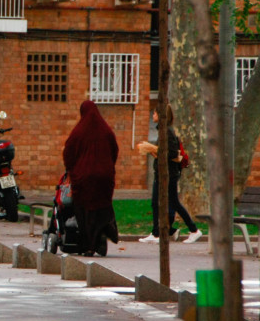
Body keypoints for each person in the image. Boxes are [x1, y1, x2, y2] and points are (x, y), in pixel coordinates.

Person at [62, 100, 120, 256]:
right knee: (100, 208)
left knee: (84, 211)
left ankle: (87, 245)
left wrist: (71, 169)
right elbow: (114, 150)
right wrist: (108, 167)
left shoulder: (78, 132)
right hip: (104, 178)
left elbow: (68, 152)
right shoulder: (106, 131)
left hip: (84, 178)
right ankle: (99, 236)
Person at [136, 105, 202, 244]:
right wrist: (153, 150)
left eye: (155, 113)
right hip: (162, 173)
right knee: (156, 203)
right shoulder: (163, 131)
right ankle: (156, 233)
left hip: (168, 174)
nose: (153, 115)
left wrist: (154, 150)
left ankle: (194, 230)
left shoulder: (167, 132)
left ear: (161, 115)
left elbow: (172, 153)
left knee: (173, 202)